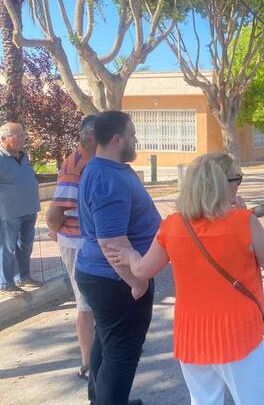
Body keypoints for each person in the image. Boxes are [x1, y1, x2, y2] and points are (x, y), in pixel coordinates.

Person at [105, 152, 264, 405]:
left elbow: (142, 270)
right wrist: (244, 216)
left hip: (192, 335)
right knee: (255, 400)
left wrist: (130, 255)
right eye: (237, 179)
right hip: (238, 332)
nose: (239, 185)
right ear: (220, 184)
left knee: (204, 400)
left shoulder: (173, 225)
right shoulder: (244, 221)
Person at [75, 111, 161, 405]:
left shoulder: (107, 168)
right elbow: (111, 242)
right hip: (116, 281)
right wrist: (137, 281)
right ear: (116, 140)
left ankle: (101, 400)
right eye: (132, 134)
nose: (136, 140)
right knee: (122, 354)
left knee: (107, 343)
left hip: (105, 277)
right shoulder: (107, 178)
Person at [45, 115, 98, 380]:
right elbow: (54, 214)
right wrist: (56, 230)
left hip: (89, 241)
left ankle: (100, 355)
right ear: (91, 136)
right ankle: (88, 363)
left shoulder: (94, 161)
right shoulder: (75, 164)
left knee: (95, 300)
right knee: (86, 302)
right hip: (78, 243)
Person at [0, 122, 41, 297]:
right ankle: (5, 283)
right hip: (8, 213)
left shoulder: (24, 156)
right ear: (3, 139)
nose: (22, 139)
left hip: (30, 209)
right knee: (7, 248)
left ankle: (23, 276)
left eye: (23, 135)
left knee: (26, 246)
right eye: (18, 136)